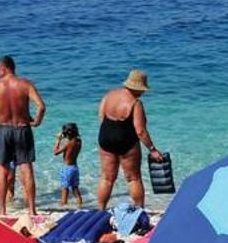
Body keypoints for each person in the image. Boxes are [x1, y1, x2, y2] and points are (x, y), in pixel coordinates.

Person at [0, 57, 45, 215]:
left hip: (3, 129)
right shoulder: (25, 84)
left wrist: (1, 109)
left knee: (3, 170)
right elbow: (41, 106)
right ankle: (32, 210)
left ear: (3, 68)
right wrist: (36, 122)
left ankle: (2, 209)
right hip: (22, 128)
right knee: (26, 169)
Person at [94, 70, 158, 210]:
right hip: (126, 141)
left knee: (106, 178)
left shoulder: (109, 95)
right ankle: (139, 210)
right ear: (139, 88)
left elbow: (101, 116)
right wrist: (153, 150)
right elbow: (140, 131)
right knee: (133, 178)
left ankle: (100, 210)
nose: (143, 93)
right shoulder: (135, 103)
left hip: (106, 138)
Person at [54, 123, 85, 208]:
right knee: (75, 189)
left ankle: (63, 206)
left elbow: (55, 152)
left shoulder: (68, 144)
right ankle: (80, 205)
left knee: (65, 189)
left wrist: (58, 140)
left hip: (67, 168)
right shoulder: (79, 141)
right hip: (75, 168)